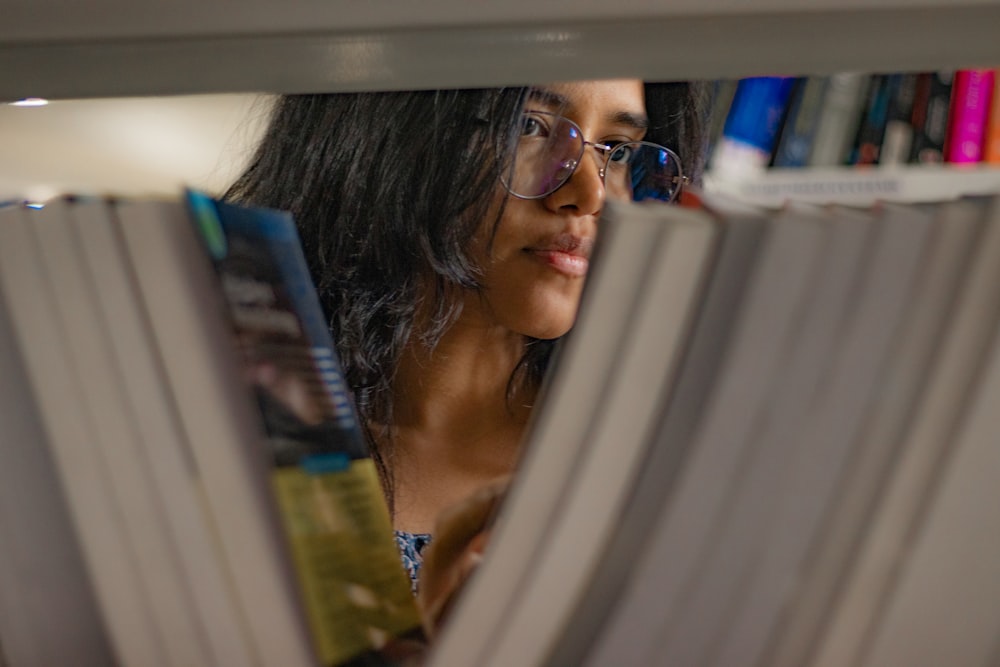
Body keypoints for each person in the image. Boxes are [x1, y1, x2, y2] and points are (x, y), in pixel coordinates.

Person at [225, 79, 710, 597]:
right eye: (530, 127)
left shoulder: (645, 476)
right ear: (388, 134)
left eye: (619, 152)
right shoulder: (215, 412)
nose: (589, 195)